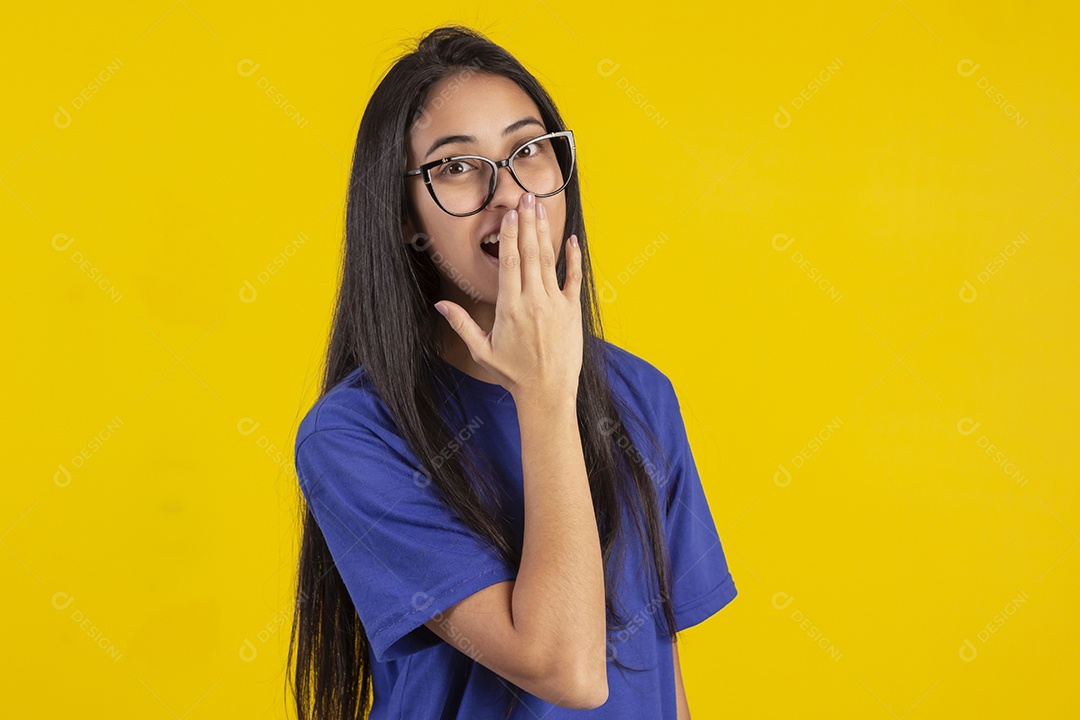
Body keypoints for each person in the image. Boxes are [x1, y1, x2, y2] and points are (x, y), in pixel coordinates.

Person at [288, 24, 738, 720]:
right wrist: (545, 392)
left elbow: (659, 673)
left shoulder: (642, 395)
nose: (510, 194)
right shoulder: (351, 437)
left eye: (528, 151)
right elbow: (567, 672)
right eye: (458, 167)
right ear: (407, 220)